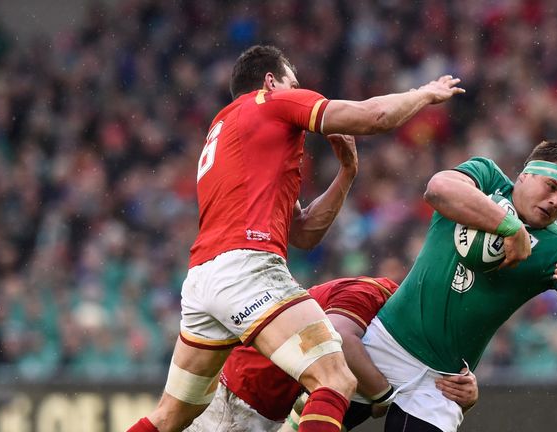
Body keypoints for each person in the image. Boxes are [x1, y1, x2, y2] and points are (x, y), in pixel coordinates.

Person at [128, 45, 464, 432]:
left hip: (204, 279)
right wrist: (423, 94)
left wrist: (347, 172)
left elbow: (303, 232)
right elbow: (376, 116)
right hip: (247, 268)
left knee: (171, 416)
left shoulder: (231, 134)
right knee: (335, 378)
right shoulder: (269, 104)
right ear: (271, 81)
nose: (298, 90)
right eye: (294, 83)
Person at [360, 140, 557, 432]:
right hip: (384, 342)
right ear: (525, 175)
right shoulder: (486, 177)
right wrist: (510, 227)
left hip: (442, 385)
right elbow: (438, 188)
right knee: (312, 419)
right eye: (551, 186)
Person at [183, 276, 478, 432]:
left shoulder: (409, 337)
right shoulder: (371, 293)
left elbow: (428, 388)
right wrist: (382, 395)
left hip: (281, 401)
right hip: (247, 392)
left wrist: (465, 396)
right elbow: (338, 339)